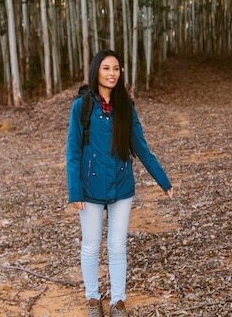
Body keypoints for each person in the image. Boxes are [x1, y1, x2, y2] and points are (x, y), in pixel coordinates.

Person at [67, 50, 174, 317]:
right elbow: (73, 151)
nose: (112, 73)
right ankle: (93, 299)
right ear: (96, 72)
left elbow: (141, 147)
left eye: (116, 68)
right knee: (90, 245)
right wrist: (74, 191)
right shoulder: (82, 107)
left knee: (117, 245)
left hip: (122, 186)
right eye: (106, 68)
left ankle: (118, 301)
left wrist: (163, 180)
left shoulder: (126, 106)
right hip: (89, 188)